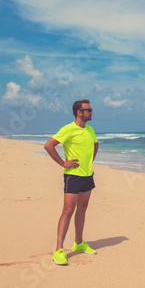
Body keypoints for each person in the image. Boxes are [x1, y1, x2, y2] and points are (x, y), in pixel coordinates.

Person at [44, 99, 99, 265]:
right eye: (88, 110)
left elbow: (96, 144)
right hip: (73, 176)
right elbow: (49, 146)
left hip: (87, 175)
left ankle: (79, 243)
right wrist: (63, 163)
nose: (91, 112)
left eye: (91, 109)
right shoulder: (68, 129)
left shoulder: (89, 129)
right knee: (68, 210)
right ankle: (58, 250)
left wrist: (90, 161)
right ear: (79, 113)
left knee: (82, 208)